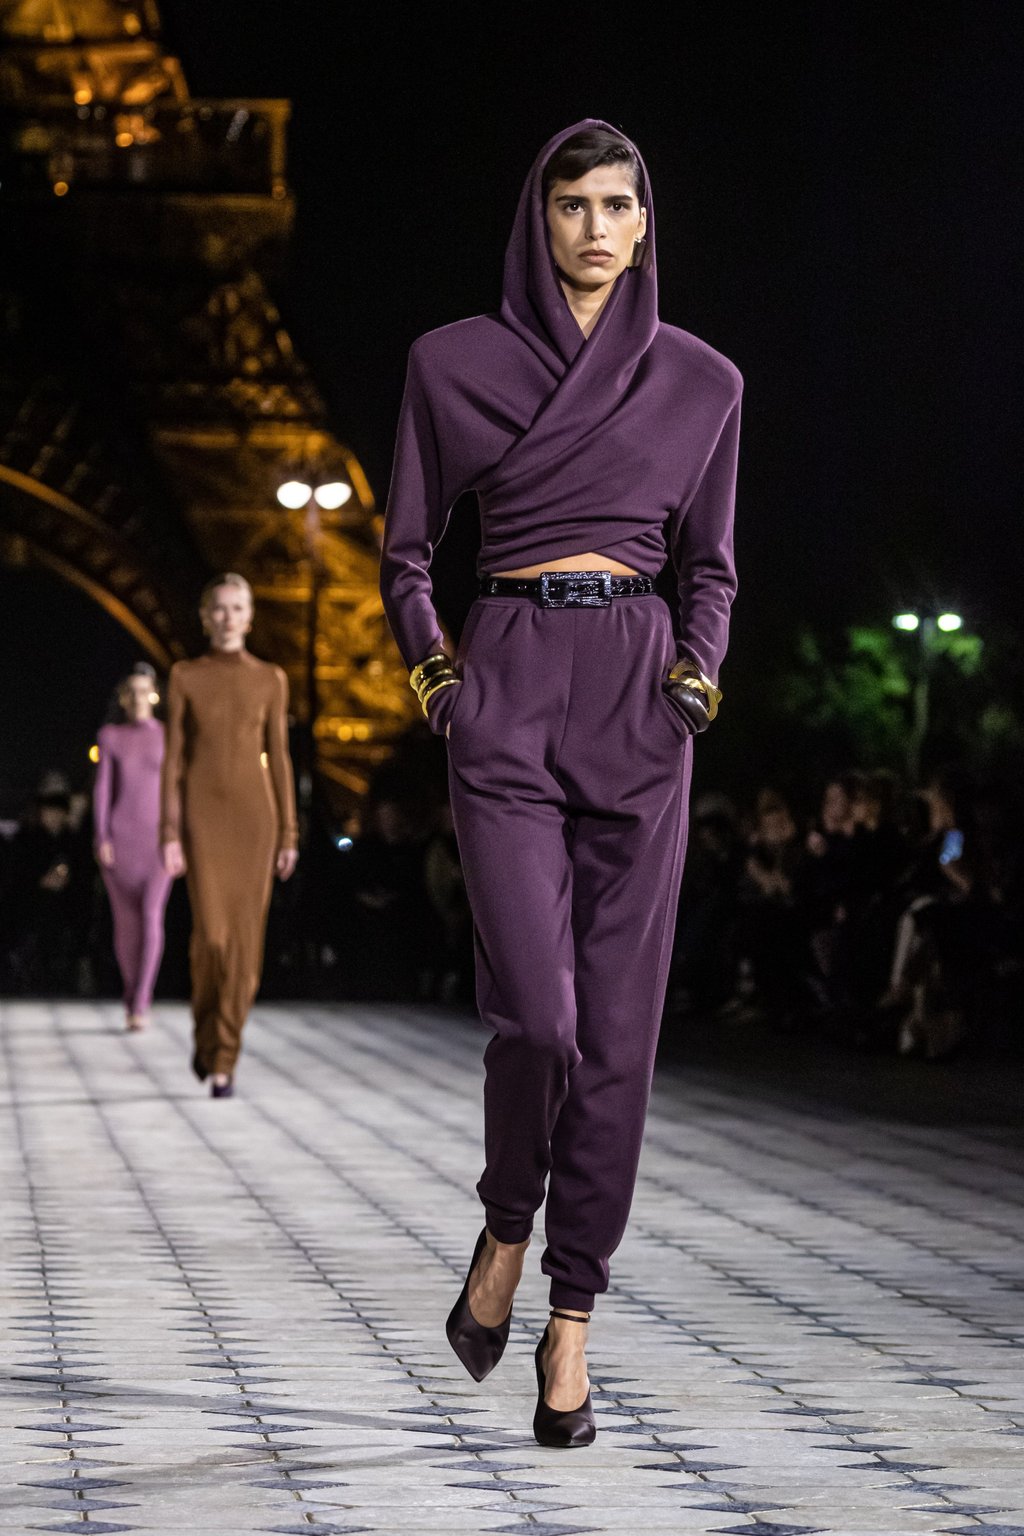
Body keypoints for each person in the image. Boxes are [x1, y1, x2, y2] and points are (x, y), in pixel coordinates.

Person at [380, 120, 741, 1446]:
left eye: (617, 205)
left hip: (641, 699)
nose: (594, 226)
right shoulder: (450, 363)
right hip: (512, 680)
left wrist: (696, 677)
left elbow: (713, 564)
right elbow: (408, 548)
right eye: (570, 204)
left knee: (623, 1038)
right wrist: (440, 678)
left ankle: (571, 1314)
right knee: (538, 1018)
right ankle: (504, 1220)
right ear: (537, 221)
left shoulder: (708, 383)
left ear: (647, 225)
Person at [160, 573, 299, 1097]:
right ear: (204, 615)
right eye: (218, 608)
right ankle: (205, 1035)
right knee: (211, 942)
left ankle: (225, 1058)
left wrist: (289, 833)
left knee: (245, 945)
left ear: (250, 615)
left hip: (255, 821)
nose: (227, 617)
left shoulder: (271, 678)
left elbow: (280, 759)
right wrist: (169, 832)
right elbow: (173, 760)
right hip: (201, 819)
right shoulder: (184, 676)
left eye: (237, 607)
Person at [93, 662, 173, 1030]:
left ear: (154, 695)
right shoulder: (110, 735)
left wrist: (178, 840)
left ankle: (142, 1000)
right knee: (125, 926)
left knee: (152, 918)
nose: (139, 699)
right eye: (132, 692)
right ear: (124, 698)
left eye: (145, 691)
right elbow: (103, 789)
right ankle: (131, 995)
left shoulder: (169, 736)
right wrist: (102, 836)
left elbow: (177, 793)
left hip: (157, 842)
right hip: (121, 841)